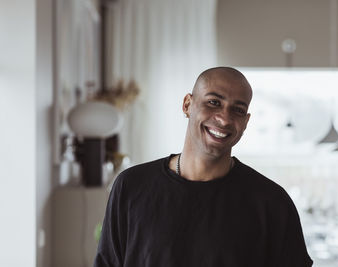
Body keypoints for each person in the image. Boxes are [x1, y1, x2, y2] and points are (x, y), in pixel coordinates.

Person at [94, 67, 313, 267]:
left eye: (237, 110)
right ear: (187, 104)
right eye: (214, 102)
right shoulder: (131, 186)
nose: (225, 119)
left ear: (245, 122)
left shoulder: (272, 202)